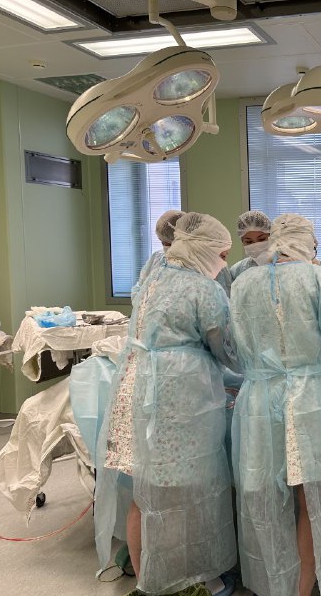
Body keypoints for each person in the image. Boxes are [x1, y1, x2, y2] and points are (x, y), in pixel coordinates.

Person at [229, 214, 321, 596]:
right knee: (313, 497)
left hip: (260, 399)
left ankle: (276, 582)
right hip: (313, 397)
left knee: (265, 497)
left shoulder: (241, 282)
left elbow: (232, 345)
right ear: (311, 243)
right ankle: (306, 585)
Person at [100, 212, 238, 596]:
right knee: (184, 494)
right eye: (222, 255)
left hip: (136, 389)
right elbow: (229, 351)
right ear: (205, 250)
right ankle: (189, 580)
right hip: (176, 400)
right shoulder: (204, 290)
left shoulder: (154, 276)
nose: (225, 263)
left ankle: (147, 578)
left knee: (144, 493)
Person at [134, 209, 184, 291]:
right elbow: (140, 286)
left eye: (169, 243)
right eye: (162, 242)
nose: (165, 246)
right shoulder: (157, 257)